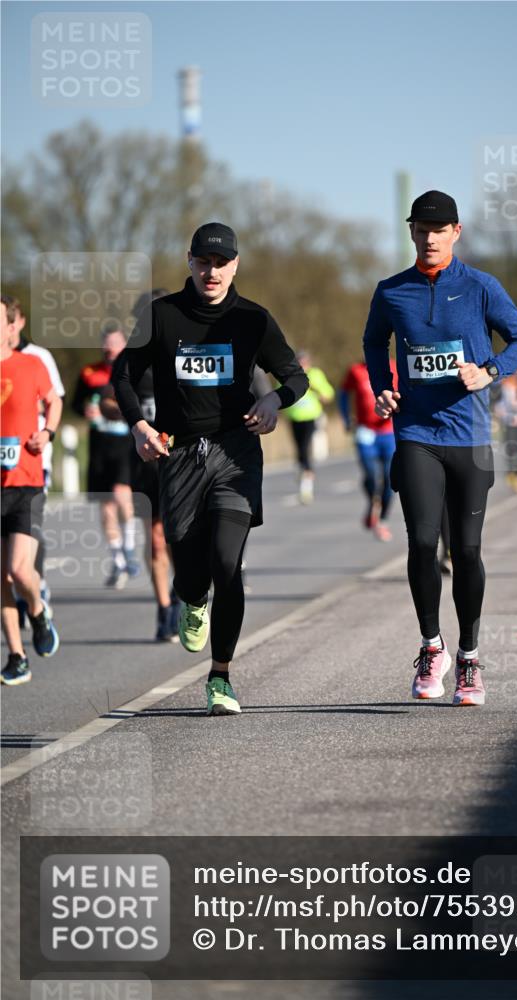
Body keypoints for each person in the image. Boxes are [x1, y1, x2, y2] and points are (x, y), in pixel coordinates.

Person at [112, 222, 308, 716]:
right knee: (190, 570)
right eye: (204, 262)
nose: (212, 272)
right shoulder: (162, 316)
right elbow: (124, 375)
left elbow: (295, 376)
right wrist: (139, 426)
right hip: (177, 455)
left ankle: (220, 678)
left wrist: (274, 402)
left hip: (235, 452)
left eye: (221, 263)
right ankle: (191, 599)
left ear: (235, 265)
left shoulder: (252, 319)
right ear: (190, 262)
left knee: (227, 562)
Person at [363, 190, 517, 707]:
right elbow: (374, 341)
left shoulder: (481, 287)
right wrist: (383, 386)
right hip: (416, 434)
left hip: (470, 437)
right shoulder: (391, 291)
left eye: (439, 231)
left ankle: (469, 658)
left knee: (466, 551)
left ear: (456, 233)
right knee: (422, 543)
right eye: (422, 230)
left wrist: (489, 371)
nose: (430, 239)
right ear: (411, 232)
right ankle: (431, 645)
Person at [106, 289, 181, 641]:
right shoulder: (130, 358)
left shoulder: (185, 350)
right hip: (146, 460)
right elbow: (110, 398)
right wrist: (123, 414)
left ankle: (183, 594)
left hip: (182, 457)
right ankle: (164, 609)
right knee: (156, 539)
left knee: (180, 538)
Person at [1, 295, 62, 685]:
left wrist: (48, 432)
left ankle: (37, 612)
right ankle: (17, 656)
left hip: (25, 480)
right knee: (0, 580)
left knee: (18, 569)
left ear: (10, 326)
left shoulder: (31, 364)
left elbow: (54, 401)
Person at [73, 324, 139, 589]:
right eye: (105, 343)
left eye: (114, 343)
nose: (109, 348)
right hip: (100, 445)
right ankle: (118, 560)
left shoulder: (133, 369)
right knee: (106, 505)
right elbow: (75, 403)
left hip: (126, 443)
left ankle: (130, 548)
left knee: (122, 494)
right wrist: (85, 411)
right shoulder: (90, 373)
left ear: (124, 345)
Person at [339, 359, 398, 541]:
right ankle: (373, 501)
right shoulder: (355, 370)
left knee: (389, 478)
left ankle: (382, 521)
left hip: (389, 432)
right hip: (365, 431)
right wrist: (346, 418)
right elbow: (343, 393)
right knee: (370, 474)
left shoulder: (395, 366)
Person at [282, 350, 335, 503]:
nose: (302, 365)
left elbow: (328, 393)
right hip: (294, 418)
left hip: (310, 417)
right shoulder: (288, 375)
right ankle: (303, 470)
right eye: (299, 362)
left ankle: (306, 485)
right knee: (299, 450)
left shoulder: (315, 375)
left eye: (304, 362)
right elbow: (280, 392)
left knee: (304, 449)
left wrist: (315, 389)